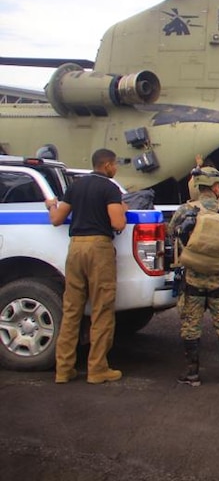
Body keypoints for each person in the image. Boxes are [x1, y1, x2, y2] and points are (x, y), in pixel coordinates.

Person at [47, 148, 128, 384]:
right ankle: (97, 369)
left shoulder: (75, 186)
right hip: (99, 249)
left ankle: (63, 369)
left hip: (75, 248)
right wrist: (122, 208)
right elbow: (118, 223)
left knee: (72, 310)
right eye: (114, 165)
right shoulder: (109, 188)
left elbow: (57, 219)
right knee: (102, 309)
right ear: (106, 166)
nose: (116, 169)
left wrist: (50, 205)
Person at [169, 166, 219, 386]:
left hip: (193, 280)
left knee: (191, 326)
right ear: (216, 187)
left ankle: (192, 374)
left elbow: (171, 232)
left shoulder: (185, 210)